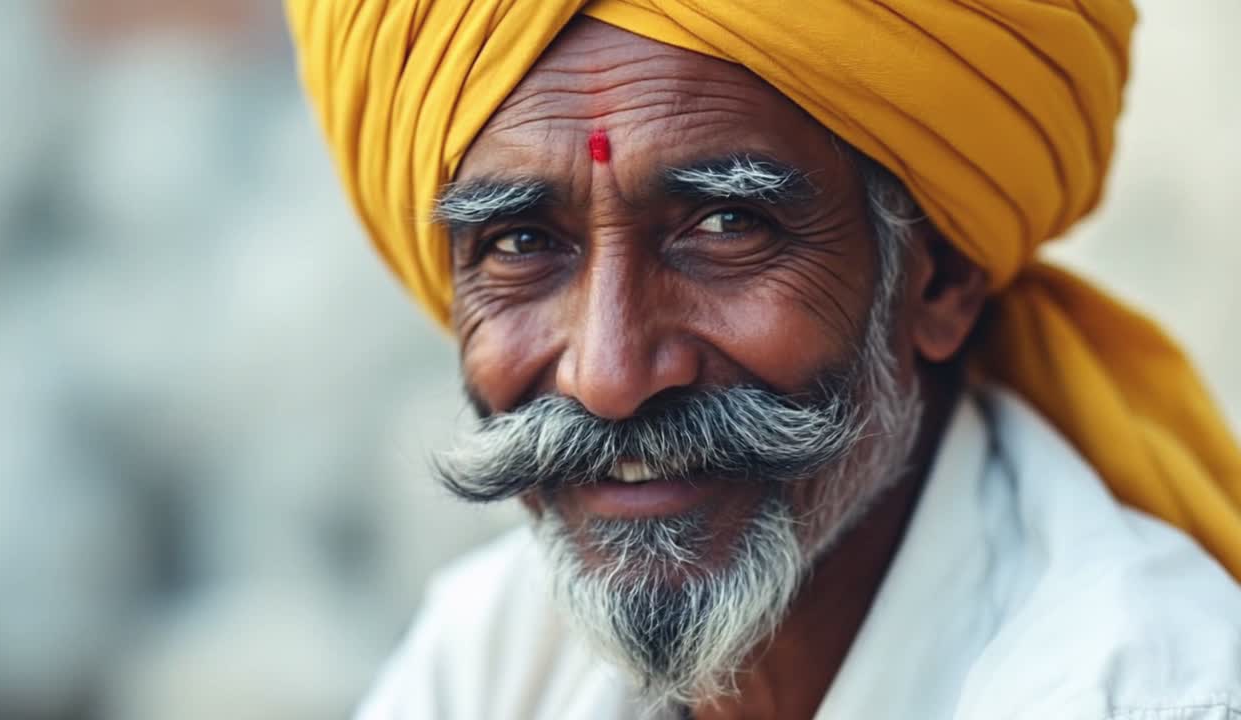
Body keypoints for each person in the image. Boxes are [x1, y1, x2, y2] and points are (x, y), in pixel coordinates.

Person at [287, 2, 1241, 718]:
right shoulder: (492, 654)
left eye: (727, 225)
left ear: (939, 278)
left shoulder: (1147, 689)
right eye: (521, 244)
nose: (612, 376)